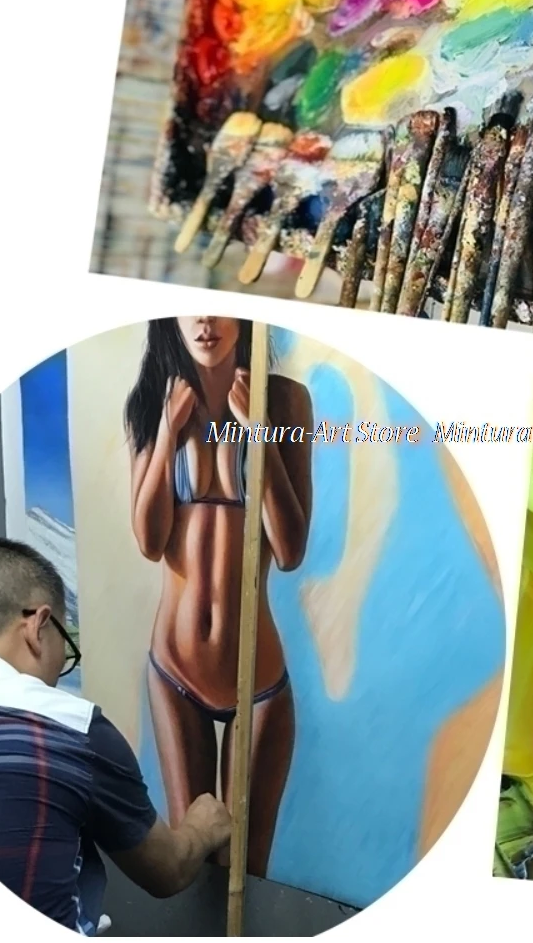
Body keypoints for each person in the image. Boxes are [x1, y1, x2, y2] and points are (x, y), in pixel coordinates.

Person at [0, 538, 233, 935]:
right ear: (37, 626)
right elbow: (166, 870)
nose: (58, 671)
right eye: (66, 648)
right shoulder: (69, 726)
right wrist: (202, 829)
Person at [126, 316, 312, 877]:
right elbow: (149, 541)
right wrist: (166, 435)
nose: (205, 321)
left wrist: (261, 436)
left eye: (218, 307)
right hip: (175, 670)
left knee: (244, 873)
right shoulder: (151, 401)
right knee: (192, 868)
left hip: (258, 680)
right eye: (192, 308)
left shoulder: (284, 402)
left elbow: (290, 549)